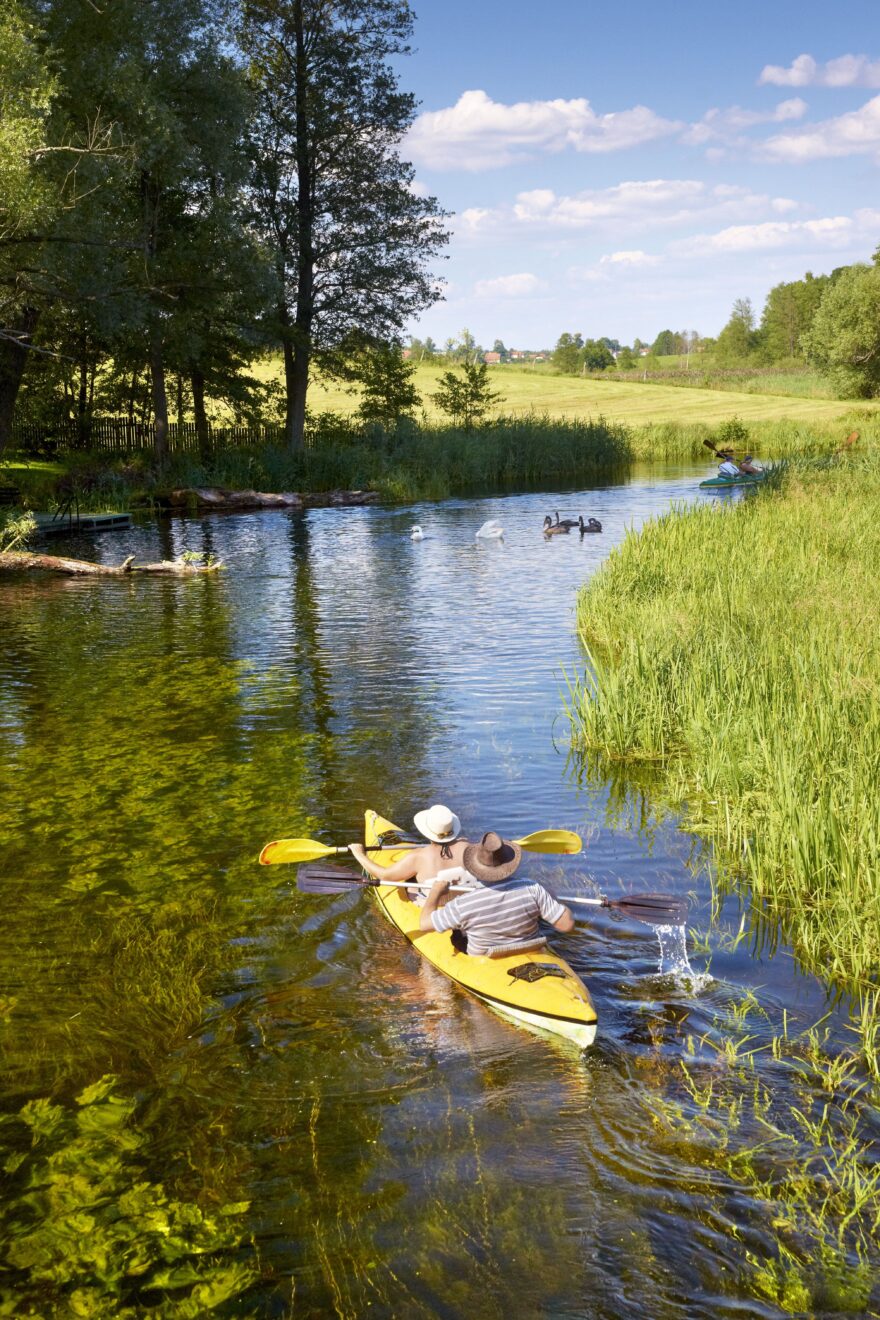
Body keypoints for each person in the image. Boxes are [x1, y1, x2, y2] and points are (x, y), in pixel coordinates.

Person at [419, 830, 575, 956]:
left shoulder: (463, 904)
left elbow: (424, 924)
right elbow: (566, 925)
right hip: (530, 948)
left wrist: (435, 892)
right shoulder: (533, 888)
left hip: (486, 957)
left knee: (457, 932)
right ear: (509, 864)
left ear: (473, 866)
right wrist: (552, 898)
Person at [348, 803, 473, 904]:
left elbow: (384, 875)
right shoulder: (468, 847)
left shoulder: (417, 857)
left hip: (431, 902)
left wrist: (359, 854)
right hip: (462, 899)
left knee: (410, 884)